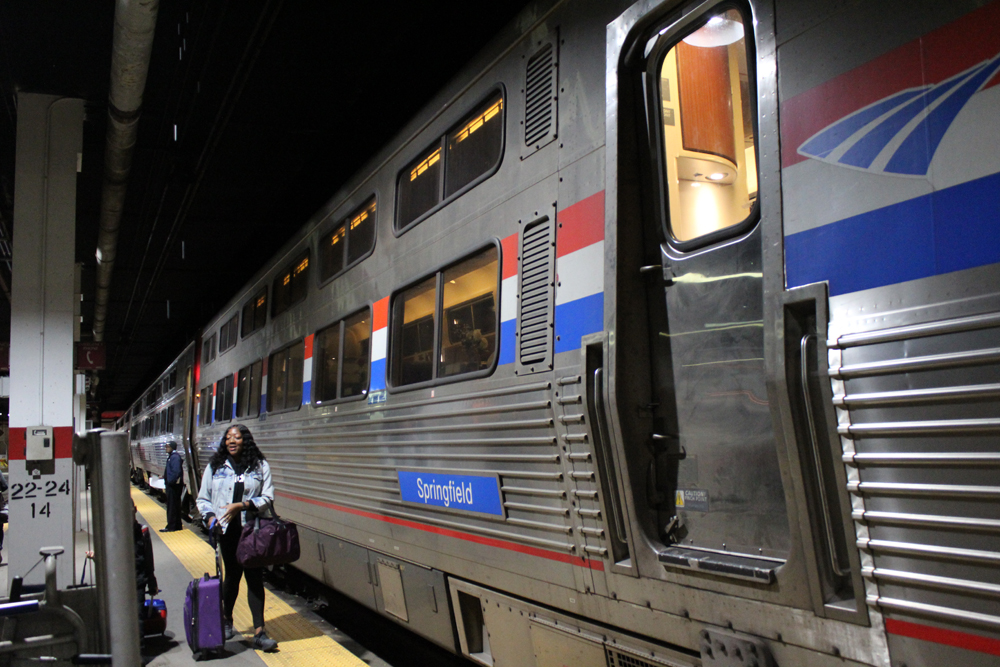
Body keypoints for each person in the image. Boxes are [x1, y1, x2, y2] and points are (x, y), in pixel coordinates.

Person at [195, 424, 277, 652]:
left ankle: (259, 632)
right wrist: (210, 518)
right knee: (231, 576)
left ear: (245, 441)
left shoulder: (260, 466)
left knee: (254, 578)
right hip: (227, 531)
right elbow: (203, 499)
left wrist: (243, 505)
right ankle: (227, 619)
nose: (231, 441)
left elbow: (268, 497)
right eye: (228, 438)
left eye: (237, 438)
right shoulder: (216, 466)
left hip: (252, 530)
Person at [161, 441, 183, 532]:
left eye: (168, 446)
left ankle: (171, 526)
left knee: (172, 506)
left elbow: (176, 471)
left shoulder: (174, 457)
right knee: (175, 506)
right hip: (173, 485)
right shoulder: (173, 457)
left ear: (172, 447)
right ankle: (177, 525)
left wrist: (171, 481)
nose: (166, 448)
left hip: (173, 486)